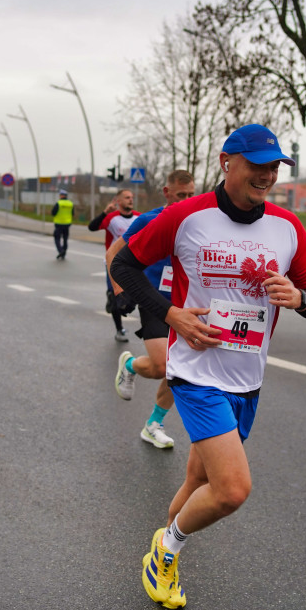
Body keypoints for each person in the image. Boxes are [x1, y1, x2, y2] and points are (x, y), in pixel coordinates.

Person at [111, 124, 306, 609]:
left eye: (274, 166)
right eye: (257, 164)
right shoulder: (185, 215)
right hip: (196, 372)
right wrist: (171, 314)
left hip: (247, 379)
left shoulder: (287, 227)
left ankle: (164, 554)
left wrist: (299, 298)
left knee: (198, 483)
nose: (267, 175)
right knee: (231, 490)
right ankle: (163, 553)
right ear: (226, 161)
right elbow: (124, 265)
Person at [107, 170, 197, 449]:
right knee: (161, 366)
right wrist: (119, 292)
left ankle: (153, 425)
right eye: (181, 195)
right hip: (155, 299)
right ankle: (130, 365)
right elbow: (114, 254)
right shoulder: (149, 220)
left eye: (191, 195)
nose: (186, 200)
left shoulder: (199, 221)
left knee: (180, 371)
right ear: (166, 192)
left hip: (188, 302)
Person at [89, 189, 139, 342]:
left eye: (131, 197)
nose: (130, 200)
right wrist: (104, 212)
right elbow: (92, 227)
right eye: (127, 197)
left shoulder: (139, 217)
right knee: (117, 297)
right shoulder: (112, 218)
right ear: (118, 201)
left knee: (135, 296)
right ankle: (120, 330)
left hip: (133, 263)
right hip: (114, 263)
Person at [51, 187, 74, 259]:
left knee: (57, 238)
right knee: (65, 239)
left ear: (61, 195)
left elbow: (53, 213)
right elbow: (72, 213)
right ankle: (64, 252)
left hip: (59, 224)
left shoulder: (58, 203)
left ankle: (61, 251)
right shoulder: (70, 203)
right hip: (67, 224)